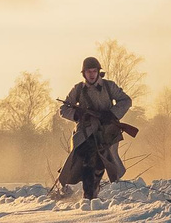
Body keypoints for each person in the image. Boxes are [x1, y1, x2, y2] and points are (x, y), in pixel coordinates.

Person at [56, 58, 133, 200]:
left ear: (98, 72)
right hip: (85, 133)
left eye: (94, 71)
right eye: (88, 72)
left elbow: (126, 101)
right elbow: (63, 108)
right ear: (84, 74)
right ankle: (88, 194)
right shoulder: (78, 89)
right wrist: (76, 114)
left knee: (101, 162)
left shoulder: (109, 86)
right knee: (86, 161)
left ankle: (93, 190)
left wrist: (111, 113)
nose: (91, 74)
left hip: (106, 132)